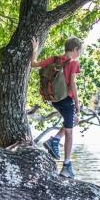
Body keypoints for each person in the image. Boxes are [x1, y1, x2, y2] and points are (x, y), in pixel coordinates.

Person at [31, 36, 82, 178]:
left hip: (54, 99)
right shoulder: (73, 63)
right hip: (67, 100)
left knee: (74, 121)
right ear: (75, 49)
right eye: (80, 51)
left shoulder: (54, 59)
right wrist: (77, 103)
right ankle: (66, 166)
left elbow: (34, 64)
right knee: (70, 133)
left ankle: (55, 139)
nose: (80, 54)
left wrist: (35, 49)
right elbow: (72, 84)